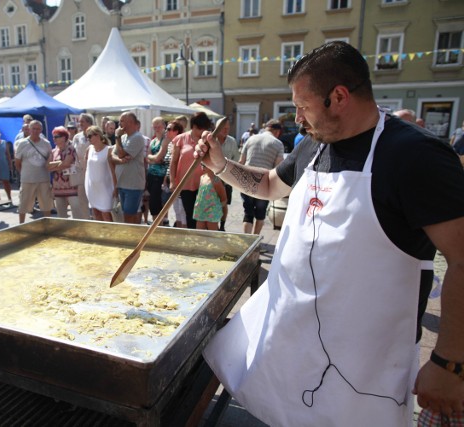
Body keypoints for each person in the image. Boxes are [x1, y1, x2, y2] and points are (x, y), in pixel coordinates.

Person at [195, 41, 464, 426]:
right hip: (293, 343)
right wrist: (220, 165)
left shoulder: (416, 156)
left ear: (338, 97)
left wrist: (449, 362)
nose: (298, 119)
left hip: (364, 365)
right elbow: (270, 185)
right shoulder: (312, 146)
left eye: (303, 107)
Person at [238, 119, 285, 234]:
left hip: (247, 181)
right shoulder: (278, 144)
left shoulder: (251, 139)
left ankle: (247, 242)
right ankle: (255, 241)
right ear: (277, 131)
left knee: (248, 214)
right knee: (260, 214)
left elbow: (241, 162)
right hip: (264, 184)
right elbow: (278, 168)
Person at [169, 112, 212, 229]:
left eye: (205, 128)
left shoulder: (208, 140)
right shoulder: (180, 139)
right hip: (185, 184)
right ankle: (193, 239)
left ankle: (202, 239)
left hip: (204, 185)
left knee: (203, 215)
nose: (203, 131)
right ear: (193, 126)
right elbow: (173, 162)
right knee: (190, 214)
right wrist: (172, 180)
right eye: (200, 128)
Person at [15, 120, 53, 223]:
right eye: (33, 129)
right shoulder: (22, 143)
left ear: (41, 130)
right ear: (29, 130)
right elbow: (17, 162)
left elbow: (50, 159)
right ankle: (21, 225)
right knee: (23, 204)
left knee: (46, 204)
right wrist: (23, 173)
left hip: (43, 179)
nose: (35, 131)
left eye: (38, 129)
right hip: (27, 179)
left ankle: (48, 225)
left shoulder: (46, 143)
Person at [111, 112, 146, 224]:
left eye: (121, 121)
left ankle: (133, 239)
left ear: (130, 122)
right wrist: (121, 160)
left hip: (133, 185)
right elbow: (112, 155)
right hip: (122, 183)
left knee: (129, 216)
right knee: (127, 215)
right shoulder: (124, 137)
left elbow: (119, 154)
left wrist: (117, 137)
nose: (119, 124)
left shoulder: (137, 137)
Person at [48, 126, 85, 219]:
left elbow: (66, 164)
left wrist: (54, 166)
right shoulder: (54, 151)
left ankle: (79, 231)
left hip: (71, 185)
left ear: (63, 137)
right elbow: (47, 166)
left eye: (56, 137)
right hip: (58, 187)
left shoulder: (71, 148)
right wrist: (59, 165)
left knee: (77, 212)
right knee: (61, 214)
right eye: (53, 136)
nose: (54, 139)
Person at [84, 125, 116, 222]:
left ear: (97, 135)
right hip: (92, 187)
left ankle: (110, 236)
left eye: (89, 136)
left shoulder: (109, 150)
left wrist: (116, 187)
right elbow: (86, 168)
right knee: (95, 212)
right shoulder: (89, 149)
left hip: (105, 187)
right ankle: (101, 234)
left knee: (106, 214)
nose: (88, 139)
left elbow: (113, 170)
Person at [215, 117, 240, 231]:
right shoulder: (212, 140)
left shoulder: (232, 141)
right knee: (212, 202)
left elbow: (236, 159)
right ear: (216, 128)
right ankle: (212, 225)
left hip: (227, 179)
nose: (226, 130)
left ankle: (222, 226)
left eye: (228, 128)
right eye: (223, 128)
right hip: (212, 179)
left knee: (224, 204)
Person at [161, 121, 185, 227]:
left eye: (169, 129)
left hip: (180, 183)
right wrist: (166, 180)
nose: (166, 131)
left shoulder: (181, 144)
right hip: (172, 183)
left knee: (182, 211)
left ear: (176, 131)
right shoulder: (170, 144)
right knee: (177, 212)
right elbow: (168, 165)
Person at [145, 117, 168, 223]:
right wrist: (154, 159)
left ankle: (159, 226)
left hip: (161, 177)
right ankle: (157, 225)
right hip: (151, 175)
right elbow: (148, 157)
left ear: (164, 125)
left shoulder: (166, 140)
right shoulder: (153, 140)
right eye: (155, 126)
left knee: (156, 202)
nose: (157, 127)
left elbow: (158, 157)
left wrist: (152, 158)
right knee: (153, 202)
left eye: (159, 125)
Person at [71, 113, 94, 219]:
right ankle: (87, 221)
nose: (80, 124)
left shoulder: (96, 135)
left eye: (82, 122)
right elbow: (73, 153)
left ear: (89, 123)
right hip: (80, 171)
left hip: (94, 171)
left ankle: (98, 220)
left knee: (94, 198)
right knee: (82, 199)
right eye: (79, 122)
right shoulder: (77, 137)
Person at [193, 165, 226, 231]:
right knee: (199, 232)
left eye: (205, 165)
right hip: (201, 208)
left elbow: (223, 197)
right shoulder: (202, 177)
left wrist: (218, 210)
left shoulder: (216, 180)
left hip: (212, 210)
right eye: (202, 164)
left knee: (212, 233)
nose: (203, 166)